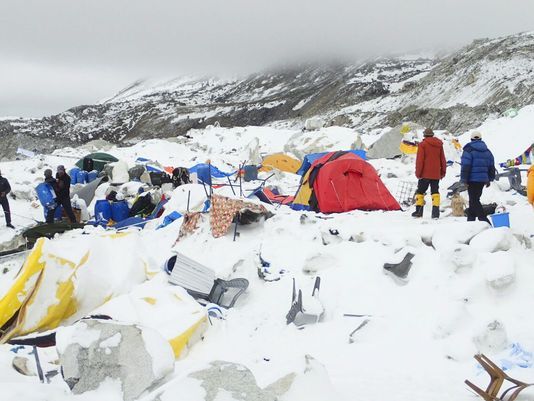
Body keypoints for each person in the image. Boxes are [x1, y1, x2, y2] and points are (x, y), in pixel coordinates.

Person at [460, 131, 496, 224]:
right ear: (480, 138)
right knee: (473, 200)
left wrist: (464, 179)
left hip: (472, 179)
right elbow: (491, 166)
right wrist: (490, 178)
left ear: (471, 139)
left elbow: (466, 166)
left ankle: (484, 220)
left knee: (474, 200)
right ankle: (470, 221)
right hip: (482, 180)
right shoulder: (487, 151)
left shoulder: (469, 150)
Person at [412, 128, 447, 219]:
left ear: (424, 135)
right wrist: (443, 172)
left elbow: (420, 161)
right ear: (432, 135)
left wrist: (418, 173)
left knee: (420, 192)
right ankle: (435, 213)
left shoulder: (422, 145)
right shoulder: (439, 145)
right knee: (435, 192)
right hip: (436, 173)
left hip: (424, 173)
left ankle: (418, 212)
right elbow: (442, 159)